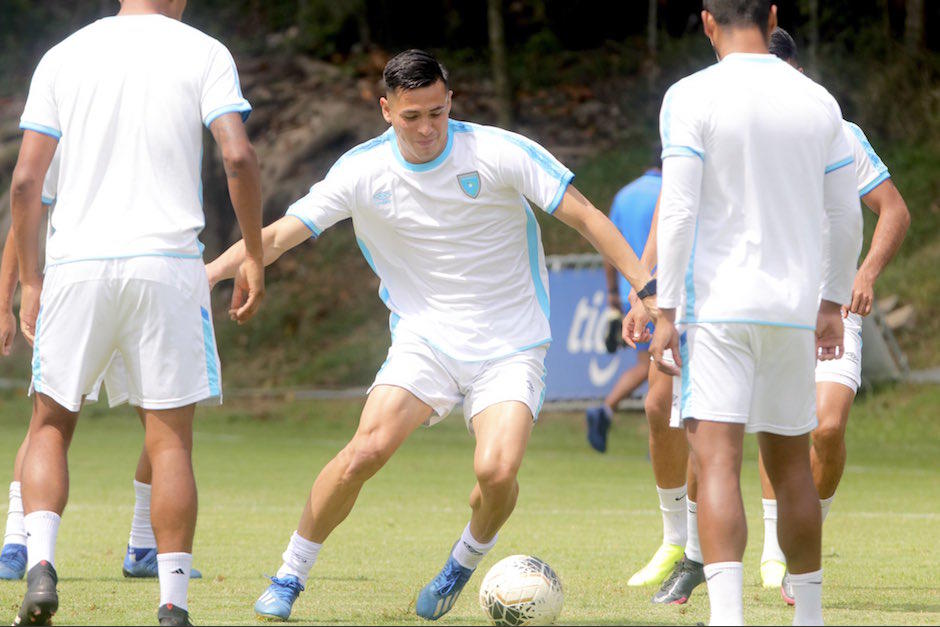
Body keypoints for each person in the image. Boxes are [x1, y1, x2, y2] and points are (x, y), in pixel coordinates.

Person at [205, 49, 658, 622]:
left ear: (451, 103)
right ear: (385, 109)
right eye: (411, 115)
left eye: (436, 113)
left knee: (496, 472)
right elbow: (276, 236)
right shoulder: (361, 171)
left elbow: (587, 216)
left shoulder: (497, 152)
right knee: (364, 450)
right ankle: (289, 576)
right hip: (426, 338)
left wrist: (646, 290)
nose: (426, 128)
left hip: (512, 342)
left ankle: (463, 562)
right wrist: (212, 273)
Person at [10, 0, 264, 623]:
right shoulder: (204, 51)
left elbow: (24, 184)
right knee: (170, 440)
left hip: (76, 266)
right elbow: (238, 157)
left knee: (49, 425)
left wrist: (29, 281)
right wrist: (253, 252)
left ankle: (38, 562)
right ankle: (172, 604)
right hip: (167, 265)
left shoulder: (63, 55)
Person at [649, 1, 862, 625]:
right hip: (793, 310)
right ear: (771, 16)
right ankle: (810, 616)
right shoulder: (818, 101)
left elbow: (680, 209)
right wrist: (830, 302)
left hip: (717, 308)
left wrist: (666, 309)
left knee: (717, 461)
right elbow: (847, 216)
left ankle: (729, 617)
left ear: (708, 21)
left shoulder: (689, 96)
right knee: (791, 464)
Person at [0, 153, 202, 583]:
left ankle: (142, 545)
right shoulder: (77, 125)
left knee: (155, 423)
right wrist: (7, 300)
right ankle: (18, 541)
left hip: (135, 285)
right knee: (51, 423)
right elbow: (26, 212)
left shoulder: (155, 126)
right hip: (90, 285)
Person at [760, 26, 911, 599]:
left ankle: (805, 535)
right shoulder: (746, 135)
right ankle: (780, 552)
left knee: (826, 426)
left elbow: (892, 209)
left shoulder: (840, 133)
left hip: (832, 306)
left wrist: (866, 273)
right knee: (778, 427)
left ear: (797, 71)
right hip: (769, 304)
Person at [585, 159, 659, 454]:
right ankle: (611, 410)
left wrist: (613, 293)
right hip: (661, 289)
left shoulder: (625, 195)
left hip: (633, 291)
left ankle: (607, 410)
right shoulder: (670, 189)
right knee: (658, 366)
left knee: (649, 364)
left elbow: (607, 245)